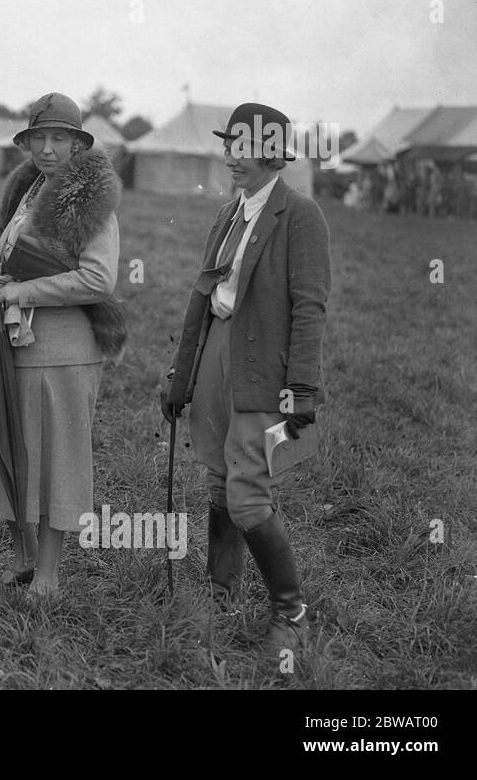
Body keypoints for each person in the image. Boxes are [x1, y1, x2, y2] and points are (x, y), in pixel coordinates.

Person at [161, 102, 330, 653]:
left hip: (264, 366)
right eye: (229, 144)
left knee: (248, 492)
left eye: (244, 146)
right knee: (217, 476)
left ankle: (291, 611)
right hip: (217, 351)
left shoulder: (300, 215)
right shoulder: (231, 211)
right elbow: (205, 297)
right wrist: (181, 376)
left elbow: (309, 306)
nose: (232, 156)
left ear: (273, 154)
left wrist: (301, 386)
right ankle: (220, 592)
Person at [0, 93, 124, 597]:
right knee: (12, 452)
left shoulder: (89, 203)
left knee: (56, 461)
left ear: (79, 145)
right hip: (16, 345)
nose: (49, 148)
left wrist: (22, 291)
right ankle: (24, 559)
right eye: (40, 138)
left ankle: (50, 579)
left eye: (60, 138)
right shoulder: (27, 194)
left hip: (66, 351)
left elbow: (99, 280)